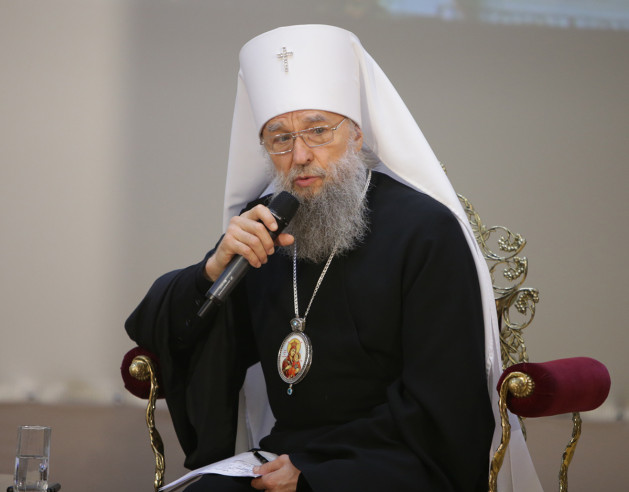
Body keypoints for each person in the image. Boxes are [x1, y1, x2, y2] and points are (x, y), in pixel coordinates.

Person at [125, 25, 542, 492]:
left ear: (356, 135)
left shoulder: (425, 231)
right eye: (280, 138)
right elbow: (169, 335)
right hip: (282, 455)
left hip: (395, 459)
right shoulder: (264, 226)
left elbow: (444, 395)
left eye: (318, 131)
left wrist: (318, 471)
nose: (300, 155)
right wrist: (212, 269)